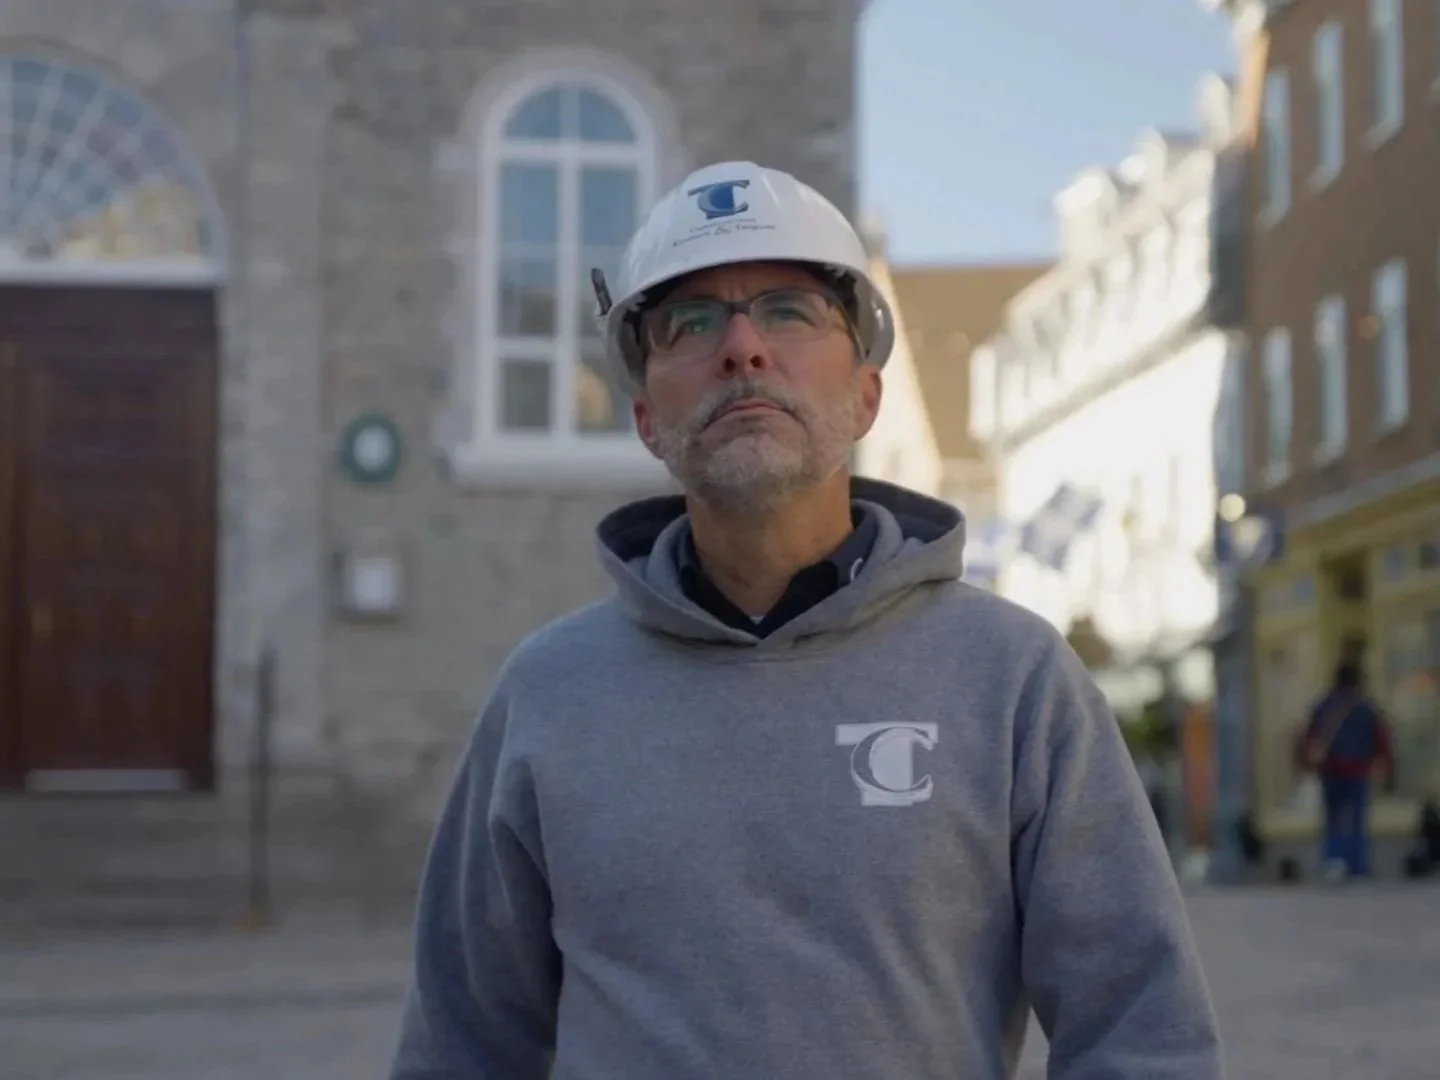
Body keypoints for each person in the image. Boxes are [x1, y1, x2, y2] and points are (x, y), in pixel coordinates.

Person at [389, 161, 1222, 1079]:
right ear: (647, 419)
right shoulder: (548, 696)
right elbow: (460, 1046)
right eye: (690, 323)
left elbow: (1143, 1032)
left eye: (788, 311)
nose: (742, 348)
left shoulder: (1012, 678)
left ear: (866, 396)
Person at [1298, 660, 1394, 880]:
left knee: (1333, 817)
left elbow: (1310, 735)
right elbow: (1381, 739)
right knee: (1357, 818)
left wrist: (1308, 762)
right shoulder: (1365, 707)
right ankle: (1357, 865)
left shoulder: (1324, 706)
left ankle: (1333, 860)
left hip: (1331, 770)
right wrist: (1386, 766)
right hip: (1358, 770)